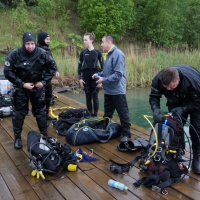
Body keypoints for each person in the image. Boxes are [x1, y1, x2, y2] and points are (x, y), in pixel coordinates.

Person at [4, 32, 57, 149]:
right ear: (24, 43)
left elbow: (53, 68)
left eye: (32, 43)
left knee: (41, 112)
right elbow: (7, 71)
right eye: (27, 43)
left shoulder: (43, 53)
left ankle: (44, 135)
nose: (30, 46)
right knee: (19, 113)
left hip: (37, 87)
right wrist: (22, 84)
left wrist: (43, 82)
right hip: (21, 87)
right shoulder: (15, 54)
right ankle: (17, 138)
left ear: (35, 43)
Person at [149, 64, 200, 174]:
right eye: (166, 87)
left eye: (171, 87)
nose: (168, 89)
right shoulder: (158, 79)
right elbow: (154, 96)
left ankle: (197, 156)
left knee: (196, 128)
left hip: (195, 101)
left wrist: (184, 108)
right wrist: (155, 109)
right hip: (175, 100)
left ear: (178, 79)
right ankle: (177, 151)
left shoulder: (195, 81)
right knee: (175, 125)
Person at [94, 35, 131, 143]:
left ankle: (127, 134)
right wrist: (98, 74)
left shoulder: (118, 54)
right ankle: (104, 129)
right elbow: (106, 72)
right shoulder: (107, 55)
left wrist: (103, 80)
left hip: (117, 91)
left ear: (109, 42)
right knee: (107, 112)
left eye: (102, 42)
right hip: (108, 90)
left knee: (123, 113)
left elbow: (118, 75)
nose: (101, 45)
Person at [78, 33, 103, 116]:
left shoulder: (97, 52)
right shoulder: (83, 53)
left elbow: (103, 67)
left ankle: (95, 115)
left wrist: (101, 80)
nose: (84, 42)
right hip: (85, 77)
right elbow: (79, 65)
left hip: (96, 77)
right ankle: (89, 114)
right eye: (83, 40)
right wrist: (80, 79)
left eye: (86, 40)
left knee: (95, 96)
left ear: (91, 40)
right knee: (88, 96)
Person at [37, 31, 60, 120]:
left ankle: (46, 114)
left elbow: (52, 62)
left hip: (47, 78)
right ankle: (40, 115)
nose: (48, 41)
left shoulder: (47, 49)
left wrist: (56, 71)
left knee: (48, 95)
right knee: (40, 98)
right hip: (39, 79)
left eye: (49, 39)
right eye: (47, 39)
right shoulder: (36, 50)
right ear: (42, 39)